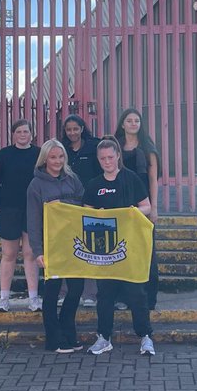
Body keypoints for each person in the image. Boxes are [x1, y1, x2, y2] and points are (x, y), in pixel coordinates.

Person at [82, 136, 156, 356]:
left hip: (130, 246)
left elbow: (147, 208)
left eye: (110, 157)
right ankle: (104, 337)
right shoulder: (94, 185)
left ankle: (145, 337)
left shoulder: (131, 179)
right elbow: (86, 214)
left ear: (118, 157)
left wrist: (131, 211)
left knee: (136, 293)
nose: (107, 162)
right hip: (105, 250)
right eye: (103, 158)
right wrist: (99, 215)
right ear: (98, 159)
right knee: (105, 294)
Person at [27, 140, 85, 353]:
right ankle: (54, 338)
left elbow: (83, 208)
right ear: (45, 159)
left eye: (60, 157)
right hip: (51, 246)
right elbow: (33, 220)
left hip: (74, 244)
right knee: (51, 292)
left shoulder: (73, 180)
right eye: (53, 157)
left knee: (76, 288)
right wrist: (38, 251)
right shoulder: (36, 185)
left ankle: (68, 330)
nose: (57, 161)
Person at [0, 119, 41, 312]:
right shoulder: (4, 155)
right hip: (9, 210)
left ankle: (33, 299)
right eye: (19, 131)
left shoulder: (38, 154)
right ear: (13, 134)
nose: (22, 135)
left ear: (31, 134)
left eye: (26, 131)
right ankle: (3, 299)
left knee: (30, 254)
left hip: (32, 210)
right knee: (8, 254)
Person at [114, 108, 161, 311]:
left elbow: (153, 179)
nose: (133, 124)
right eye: (129, 120)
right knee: (121, 251)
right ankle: (122, 297)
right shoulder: (115, 147)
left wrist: (154, 209)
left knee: (145, 252)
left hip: (143, 205)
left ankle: (148, 298)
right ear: (122, 124)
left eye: (137, 121)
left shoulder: (148, 148)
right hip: (119, 206)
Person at [59, 113, 101, 308]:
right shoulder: (61, 149)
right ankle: (64, 291)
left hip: (90, 203)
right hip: (67, 205)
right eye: (69, 129)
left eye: (76, 128)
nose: (72, 132)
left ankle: (90, 293)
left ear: (82, 128)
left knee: (89, 248)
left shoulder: (94, 147)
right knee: (67, 247)